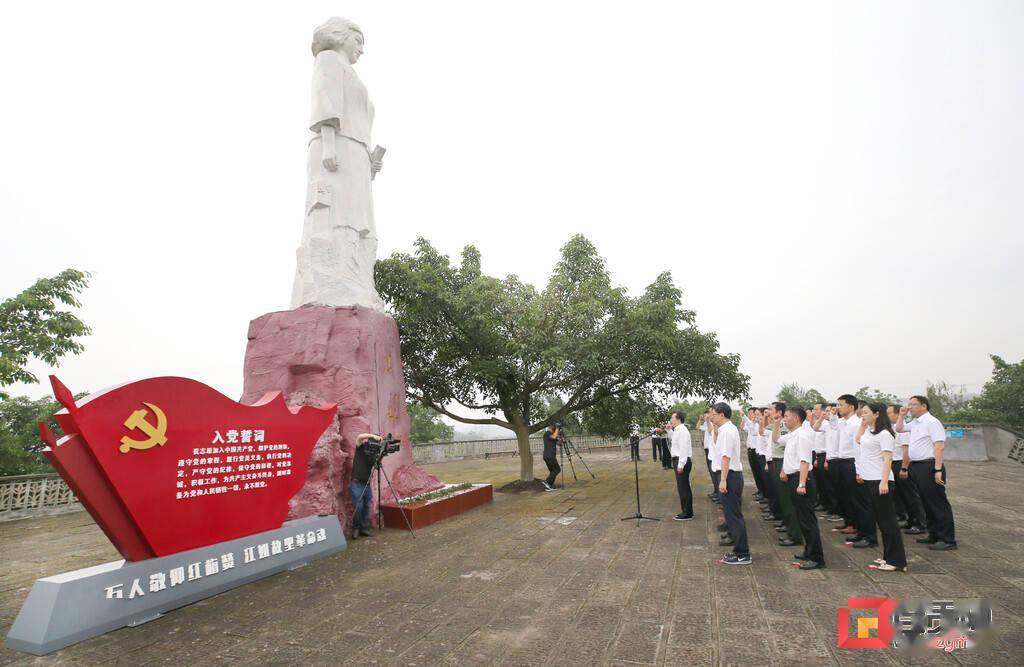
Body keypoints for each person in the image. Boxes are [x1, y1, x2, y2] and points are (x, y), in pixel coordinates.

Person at [895, 396, 957, 550]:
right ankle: (934, 534)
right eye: (909, 404)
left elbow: (939, 446)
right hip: (917, 466)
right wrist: (902, 415)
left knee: (937, 502)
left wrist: (937, 469)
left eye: (913, 404)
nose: (910, 407)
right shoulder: (916, 422)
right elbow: (899, 429)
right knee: (926, 502)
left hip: (929, 466)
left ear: (924, 406)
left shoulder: (932, 422)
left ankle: (947, 539)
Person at [856, 403, 908, 572]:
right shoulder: (869, 432)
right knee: (881, 522)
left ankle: (897, 561)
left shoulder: (885, 434)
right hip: (870, 479)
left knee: (888, 522)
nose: (862, 415)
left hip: (881, 480)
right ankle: (888, 556)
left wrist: (884, 482)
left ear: (877, 414)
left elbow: (888, 459)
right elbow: (857, 440)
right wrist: (862, 425)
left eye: (865, 413)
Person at [772, 406, 824, 570]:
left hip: (802, 480)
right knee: (802, 519)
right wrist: (775, 423)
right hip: (793, 478)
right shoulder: (793, 435)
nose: (784, 419)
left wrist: (802, 484)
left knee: (808, 520)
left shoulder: (802, 435)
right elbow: (776, 439)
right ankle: (809, 550)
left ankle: (817, 558)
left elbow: (804, 461)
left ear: (796, 418)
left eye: (786, 416)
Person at [711, 403, 750, 565]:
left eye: (713, 413)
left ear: (721, 414)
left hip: (730, 476)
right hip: (732, 475)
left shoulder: (727, 431)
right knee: (732, 515)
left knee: (733, 516)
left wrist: (723, 480)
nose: (711, 416)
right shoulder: (726, 429)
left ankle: (742, 553)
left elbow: (725, 457)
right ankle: (739, 550)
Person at [887, 404, 927, 535]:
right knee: (901, 495)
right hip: (894, 463)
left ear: (897, 414)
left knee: (911, 496)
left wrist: (904, 468)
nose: (887, 416)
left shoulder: (904, 430)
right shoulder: (894, 428)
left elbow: (906, 451)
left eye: (889, 413)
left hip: (901, 463)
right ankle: (910, 519)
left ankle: (920, 523)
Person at [350, 432, 381, 539]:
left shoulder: (372, 455)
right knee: (358, 507)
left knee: (366, 507)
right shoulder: (360, 448)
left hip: (367, 485)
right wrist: (372, 436)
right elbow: (359, 437)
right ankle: (356, 529)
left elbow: (377, 466)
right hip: (357, 484)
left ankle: (364, 529)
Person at [669, 411, 694, 520]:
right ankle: (686, 511)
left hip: (681, 460)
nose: (671, 420)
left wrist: (681, 464)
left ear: (678, 419)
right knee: (682, 487)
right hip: (678, 460)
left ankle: (687, 513)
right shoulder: (677, 430)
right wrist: (668, 430)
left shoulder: (682, 431)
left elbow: (683, 449)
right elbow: (674, 441)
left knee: (684, 487)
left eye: (672, 418)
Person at [541, 424, 561, 491]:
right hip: (550, 456)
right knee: (557, 469)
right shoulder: (547, 433)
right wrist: (558, 428)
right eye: (555, 428)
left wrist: (561, 439)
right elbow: (554, 437)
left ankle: (549, 486)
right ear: (552, 428)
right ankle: (547, 482)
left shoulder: (551, 435)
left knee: (553, 471)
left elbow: (559, 444)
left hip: (548, 456)